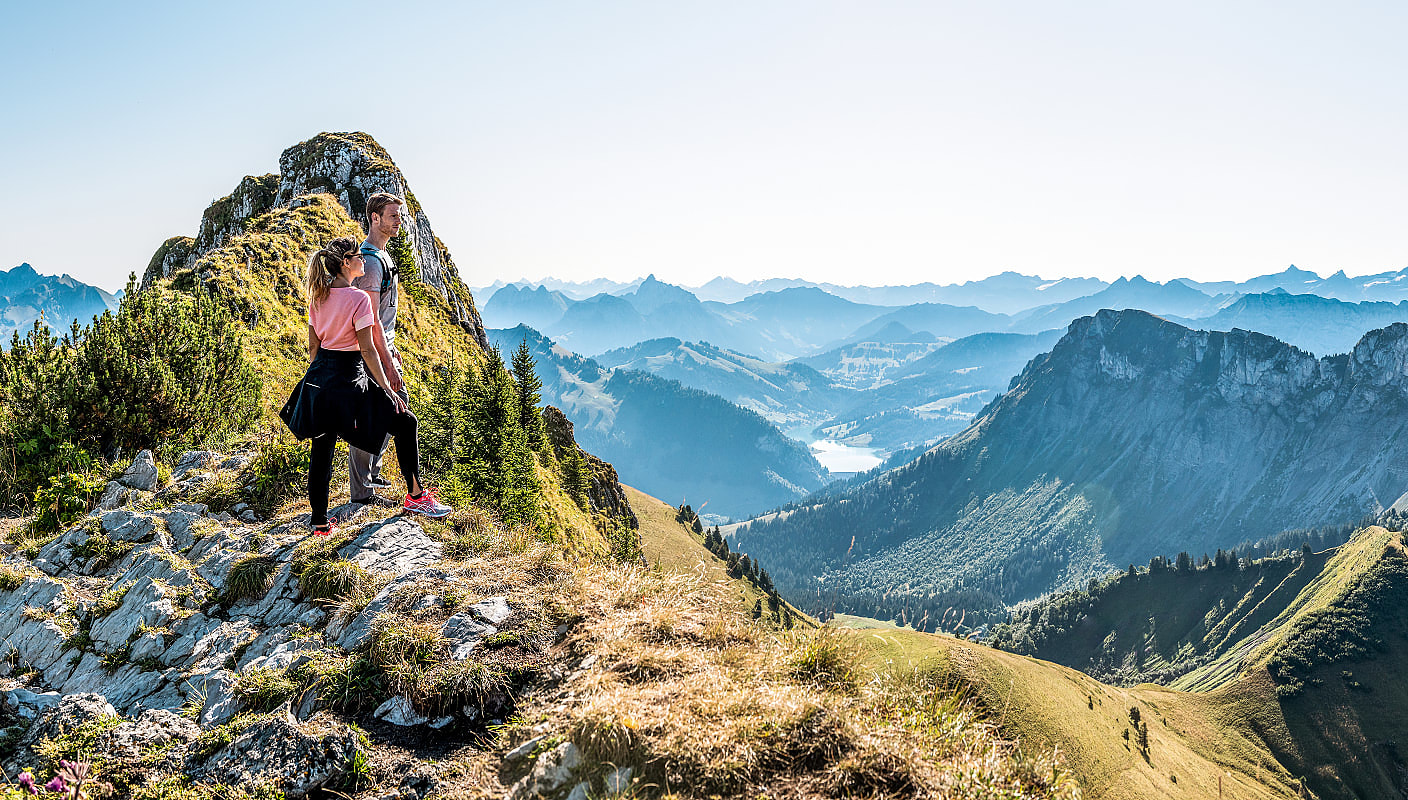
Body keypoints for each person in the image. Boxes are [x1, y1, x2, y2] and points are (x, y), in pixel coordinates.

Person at [282, 237, 451, 534]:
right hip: (349, 377)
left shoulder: (317, 298)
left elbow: (313, 347)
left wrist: (319, 381)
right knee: (405, 421)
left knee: (322, 450)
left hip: (319, 379)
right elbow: (368, 349)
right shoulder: (358, 298)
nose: (363, 260)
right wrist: (387, 388)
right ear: (346, 263)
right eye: (358, 256)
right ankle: (415, 497)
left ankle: (320, 523)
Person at [348, 192, 408, 506]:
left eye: (399, 215)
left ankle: (373, 472)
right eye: (393, 215)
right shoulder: (370, 262)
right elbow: (370, 320)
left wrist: (392, 349)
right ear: (375, 218)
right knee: (370, 415)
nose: (399, 222)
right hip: (368, 351)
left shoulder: (381, 256)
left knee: (397, 405)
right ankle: (361, 492)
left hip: (383, 346)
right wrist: (384, 361)